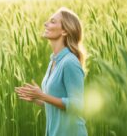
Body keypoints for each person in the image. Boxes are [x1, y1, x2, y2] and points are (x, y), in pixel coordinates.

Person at [15, 7, 87, 136]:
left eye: (53, 21)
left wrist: (42, 95)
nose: (46, 24)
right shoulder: (53, 61)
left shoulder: (70, 62)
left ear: (65, 31)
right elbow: (57, 104)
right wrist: (36, 99)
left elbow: (77, 106)